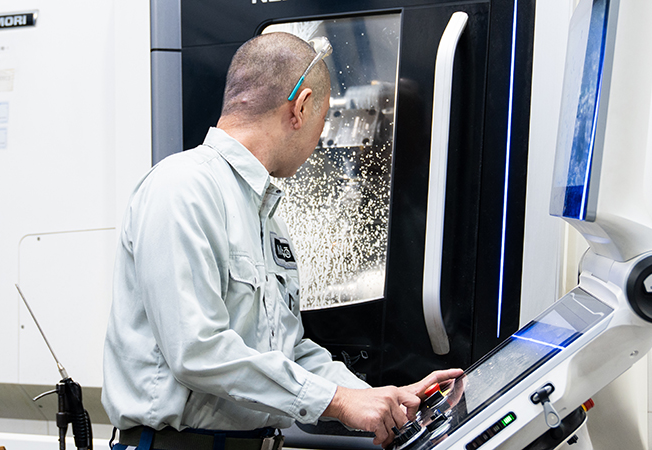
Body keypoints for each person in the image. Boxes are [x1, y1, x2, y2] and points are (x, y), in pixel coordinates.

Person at [102, 32, 462, 450]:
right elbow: (197, 351)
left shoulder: (266, 217)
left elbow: (288, 351)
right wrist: (338, 401)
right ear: (301, 107)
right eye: (322, 121)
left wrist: (374, 398)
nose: (319, 140)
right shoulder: (182, 187)